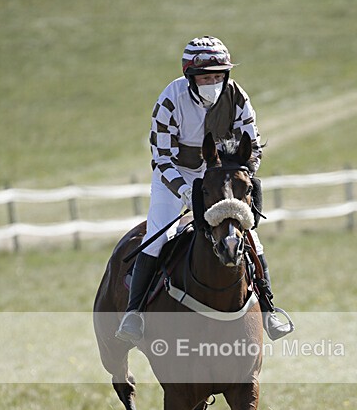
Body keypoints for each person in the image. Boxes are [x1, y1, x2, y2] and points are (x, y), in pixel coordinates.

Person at [115, 36, 290, 344]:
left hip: (218, 173)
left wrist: (237, 179)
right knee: (159, 236)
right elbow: (161, 158)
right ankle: (134, 313)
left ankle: (269, 310)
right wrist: (185, 191)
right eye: (206, 77)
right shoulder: (171, 100)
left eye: (218, 75)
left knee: (250, 237)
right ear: (190, 77)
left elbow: (253, 150)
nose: (213, 82)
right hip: (175, 175)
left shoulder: (237, 98)